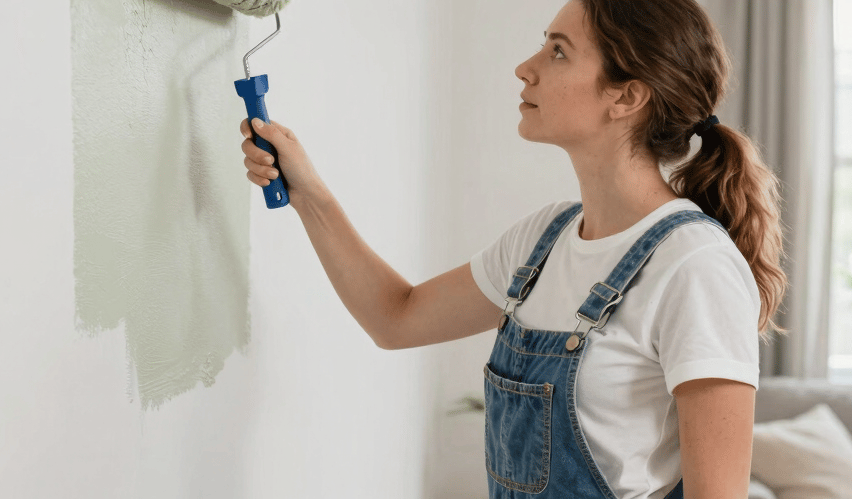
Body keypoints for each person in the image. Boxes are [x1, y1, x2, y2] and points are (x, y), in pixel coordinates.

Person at [238, 0, 789, 497]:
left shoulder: (694, 266)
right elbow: (395, 318)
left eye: (558, 51)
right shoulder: (541, 242)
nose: (526, 67)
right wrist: (309, 193)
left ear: (626, 96)